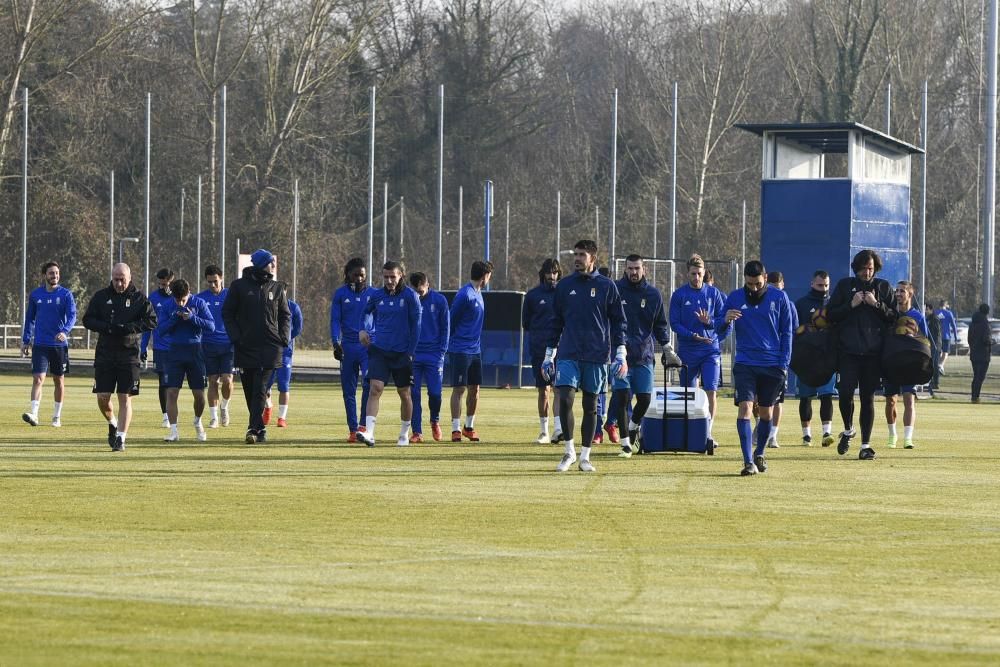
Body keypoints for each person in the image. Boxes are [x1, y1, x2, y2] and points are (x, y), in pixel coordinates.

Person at [542, 240, 628, 473]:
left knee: (591, 406)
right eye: (576, 254)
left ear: (593, 258)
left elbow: (619, 322)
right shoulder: (564, 286)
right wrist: (549, 355)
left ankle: (585, 457)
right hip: (569, 353)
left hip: (597, 355)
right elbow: (555, 322)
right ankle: (568, 452)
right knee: (566, 398)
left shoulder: (607, 286)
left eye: (582, 255)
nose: (577, 258)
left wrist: (621, 352)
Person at [715, 260, 794, 476]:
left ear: (765, 278)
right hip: (745, 363)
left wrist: (784, 363)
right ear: (745, 281)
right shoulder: (734, 298)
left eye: (758, 284)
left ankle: (759, 453)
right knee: (746, 409)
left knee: (767, 413)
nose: (754, 288)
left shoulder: (780, 298)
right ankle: (748, 461)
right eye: (750, 284)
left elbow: (787, 332)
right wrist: (724, 321)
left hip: (772, 365)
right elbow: (719, 331)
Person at [826, 249, 896, 460]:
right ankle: (848, 429)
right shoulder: (844, 286)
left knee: (868, 399)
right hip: (847, 352)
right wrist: (851, 304)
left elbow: (894, 316)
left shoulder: (883, 287)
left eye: (871, 268)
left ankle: (866, 445)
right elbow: (831, 315)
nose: (867, 272)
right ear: (856, 268)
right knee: (845, 393)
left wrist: (877, 304)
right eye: (864, 268)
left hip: (873, 354)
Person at [81, 263, 156, 451]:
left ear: (129, 278)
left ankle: (121, 439)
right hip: (105, 354)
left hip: (129, 355)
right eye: (116, 279)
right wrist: (106, 327)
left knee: (125, 397)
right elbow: (87, 319)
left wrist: (129, 328)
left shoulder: (139, 299)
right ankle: (113, 423)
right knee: (103, 398)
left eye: (122, 279)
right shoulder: (101, 297)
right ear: (111, 277)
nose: (119, 283)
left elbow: (152, 320)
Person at [222, 249, 291, 444]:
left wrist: (283, 338)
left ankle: (252, 428)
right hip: (245, 347)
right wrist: (236, 337)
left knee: (260, 388)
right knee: (249, 389)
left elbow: (285, 315)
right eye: (270, 262)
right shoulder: (239, 287)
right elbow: (227, 313)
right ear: (261, 264)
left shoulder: (277, 288)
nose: (274, 266)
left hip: (271, 348)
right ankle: (259, 428)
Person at [613, 254, 678, 458]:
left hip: (644, 355)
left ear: (644, 270)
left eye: (637, 268)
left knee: (645, 399)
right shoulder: (615, 290)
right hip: (620, 356)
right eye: (630, 268)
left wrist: (667, 347)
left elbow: (660, 324)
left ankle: (633, 427)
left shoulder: (653, 294)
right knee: (622, 399)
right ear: (625, 269)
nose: (633, 272)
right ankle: (625, 443)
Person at [355, 261, 422, 447]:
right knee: (375, 388)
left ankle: (403, 434)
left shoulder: (410, 296)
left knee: (404, 393)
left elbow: (417, 326)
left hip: (402, 353)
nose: (389, 280)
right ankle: (369, 432)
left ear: (401, 275)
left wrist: (410, 352)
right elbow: (365, 313)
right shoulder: (377, 296)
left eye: (393, 276)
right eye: (386, 277)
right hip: (380, 351)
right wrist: (362, 330)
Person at [669, 254, 727, 449]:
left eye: (699, 274)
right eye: (693, 274)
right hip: (687, 350)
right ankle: (690, 431)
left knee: (711, 390)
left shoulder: (715, 294)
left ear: (704, 273)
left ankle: (707, 433)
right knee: (689, 393)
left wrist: (709, 322)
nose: (696, 277)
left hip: (710, 350)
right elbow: (675, 323)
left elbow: (723, 321)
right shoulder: (679, 295)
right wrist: (693, 335)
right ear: (687, 274)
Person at [21, 261, 77, 428]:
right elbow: (30, 319)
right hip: (40, 344)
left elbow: (73, 315)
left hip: (59, 345)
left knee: (58, 380)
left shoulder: (66, 294)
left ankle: (56, 416)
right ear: (44, 275)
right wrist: (25, 340)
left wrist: (65, 331)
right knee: (38, 379)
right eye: (51, 273)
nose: (55, 276)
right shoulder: (36, 295)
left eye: (57, 273)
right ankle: (34, 414)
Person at [158, 278, 215, 442]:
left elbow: (211, 326)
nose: (181, 303)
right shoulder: (168, 306)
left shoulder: (199, 303)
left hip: (195, 351)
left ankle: (197, 422)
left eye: (183, 300)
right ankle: (174, 432)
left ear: (189, 293)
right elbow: (160, 330)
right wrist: (174, 319)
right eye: (178, 300)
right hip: (174, 352)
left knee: (198, 394)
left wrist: (192, 318)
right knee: (172, 392)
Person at [331, 258, 380, 442]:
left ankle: (363, 425)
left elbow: (381, 319)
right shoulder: (340, 294)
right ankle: (352, 429)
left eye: (362, 275)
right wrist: (336, 343)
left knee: (369, 385)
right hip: (348, 347)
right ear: (348, 275)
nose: (359, 278)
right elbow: (335, 320)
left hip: (369, 347)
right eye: (356, 275)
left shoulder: (374, 294)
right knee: (348, 390)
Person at [448, 260, 493, 442]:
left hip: (475, 350)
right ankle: (455, 429)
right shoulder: (464, 294)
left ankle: (469, 426)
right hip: (460, 349)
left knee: (475, 389)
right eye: (489, 275)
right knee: (459, 389)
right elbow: (452, 321)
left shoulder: (479, 294)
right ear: (485, 276)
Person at [522, 258, 563, 444]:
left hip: (561, 350)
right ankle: (544, 431)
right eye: (549, 272)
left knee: (559, 389)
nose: (552, 276)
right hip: (539, 349)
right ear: (543, 274)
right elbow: (526, 323)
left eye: (555, 272)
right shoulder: (532, 296)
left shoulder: (565, 294)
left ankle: (559, 429)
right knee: (543, 390)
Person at [883, 281, 929, 449]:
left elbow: (926, 340)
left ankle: (908, 438)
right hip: (892, 363)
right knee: (891, 401)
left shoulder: (918, 316)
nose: (898, 294)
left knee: (909, 400)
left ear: (910, 294)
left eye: (902, 291)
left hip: (910, 364)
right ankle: (892, 434)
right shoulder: (890, 314)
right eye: (897, 291)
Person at [794, 270, 837, 447]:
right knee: (806, 397)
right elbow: (795, 329)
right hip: (806, 358)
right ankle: (807, 435)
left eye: (826, 285)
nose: (823, 288)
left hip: (826, 358)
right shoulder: (802, 304)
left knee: (827, 395)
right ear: (812, 284)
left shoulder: (833, 304)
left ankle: (827, 432)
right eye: (820, 285)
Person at [408, 272, 449, 442]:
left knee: (435, 393)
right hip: (414, 356)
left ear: (427, 284)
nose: (419, 293)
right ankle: (417, 432)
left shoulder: (439, 301)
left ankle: (435, 420)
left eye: (422, 289)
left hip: (434, 355)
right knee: (413, 394)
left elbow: (446, 327)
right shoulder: (410, 300)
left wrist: (442, 351)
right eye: (416, 290)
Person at [197, 265, 235, 428]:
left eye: (215, 281)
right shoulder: (200, 298)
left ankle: (224, 407)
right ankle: (213, 418)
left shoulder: (231, 296)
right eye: (209, 282)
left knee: (227, 380)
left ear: (221, 278)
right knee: (213, 381)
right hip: (208, 345)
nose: (212, 285)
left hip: (228, 345)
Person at [764, 271, 797, 448]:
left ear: (783, 286)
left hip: (778, 360)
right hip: (761, 358)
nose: (775, 292)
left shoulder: (788, 305)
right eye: (772, 288)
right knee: (757, 399)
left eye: (778, 287)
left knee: (778, 399)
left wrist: (785, 358)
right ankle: (761, 427)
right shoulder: (762, 303)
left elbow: (792, 332)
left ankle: (773, 435)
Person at [140, 268, 176, 428]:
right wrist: (143, 347)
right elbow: (148, 325)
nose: (163, 287)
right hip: (160, 348)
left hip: (177, 347)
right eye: (160, 284)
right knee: (163, 383)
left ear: (172, 282)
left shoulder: (179, 297)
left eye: (166, 284)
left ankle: (174, 413)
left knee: (174, 384)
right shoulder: (153, 298)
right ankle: (165, 416)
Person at [265, 299, 303, 428]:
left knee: (283, 385)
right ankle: (268, 406)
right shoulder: (267, 305)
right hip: (269, 351)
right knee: (264, 386)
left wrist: (286, 338)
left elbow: (298, 327)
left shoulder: (293, 307)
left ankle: (282, 418)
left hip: (285, 353)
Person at [969, 303, 992, 403]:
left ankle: (974, 396)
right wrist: (992, 342)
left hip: (974, 353)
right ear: (987, 312)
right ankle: (975, 396)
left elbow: (969, 338)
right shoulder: (985, 324)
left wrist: (973, 347)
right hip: (983, 354)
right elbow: (986, 339)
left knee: (976, 376)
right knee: (980, 377)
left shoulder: (973, 323)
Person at [935, 299, 958, 375]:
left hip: (937, 336)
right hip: (946, 336)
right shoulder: (949, 313)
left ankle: (937, 366)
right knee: (945, 353)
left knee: (939, 352)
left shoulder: (935, 312)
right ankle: (940, 366)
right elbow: (953, 326)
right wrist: (955, 337)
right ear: (946, 305)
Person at [924, 302, 942, 394]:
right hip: (930, 344)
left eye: (926, 309)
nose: (925, 311)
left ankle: (936, 382)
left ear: (930, 309)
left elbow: (937, 333)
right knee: (931, 364)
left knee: (934, 364)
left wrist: (934, 344)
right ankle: (931, 381)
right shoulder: (928, 319)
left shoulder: (935, 319)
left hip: (935, 345)